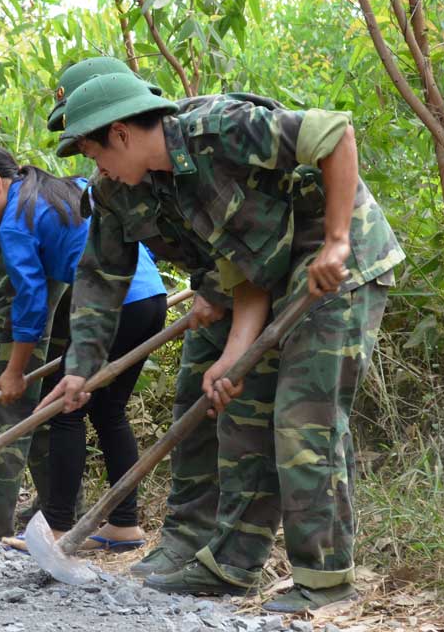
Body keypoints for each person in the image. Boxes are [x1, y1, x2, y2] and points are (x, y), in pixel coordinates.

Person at [44, 71, 404, 612]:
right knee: (240, 413)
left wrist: (336, 241)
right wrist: (231, 357)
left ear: (120, 133)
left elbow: (335, 133)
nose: (96, 170)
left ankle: (326, 581)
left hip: (335, 262)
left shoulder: (218, 129)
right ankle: (233, 565)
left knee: (304, 419)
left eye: (95, 154)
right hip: (265, 275)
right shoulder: (147, 181)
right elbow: (245, 265)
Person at [45, 57, 289, 579]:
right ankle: (183, 542)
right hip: (227, 290)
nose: (88, 155)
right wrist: (81, 366)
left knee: (249, 418)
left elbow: (256, 222)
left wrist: (223, 293)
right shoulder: (115, 184)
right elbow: (100, 276)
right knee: (191, 412)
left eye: (86, 138)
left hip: (283, 277)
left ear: (117, 124)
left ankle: (236, 560)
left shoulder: (207, 136)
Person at [0, 142, 167, 547]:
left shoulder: (15, 222)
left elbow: (30, 303)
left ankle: (58, 527)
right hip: (150, 299)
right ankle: (124, 524)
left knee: (63, 410)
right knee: (108, 411)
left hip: (114, 308)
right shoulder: (68, 188)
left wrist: (15, 371)